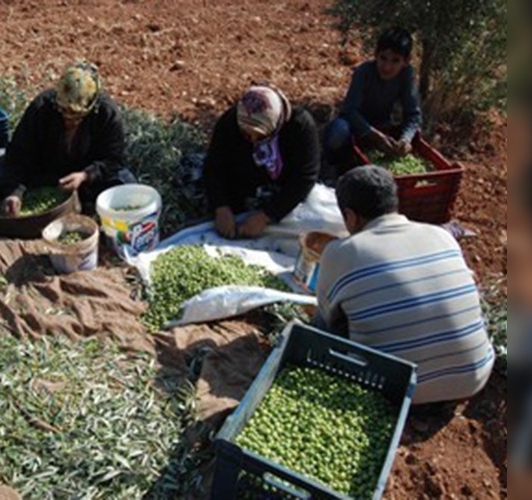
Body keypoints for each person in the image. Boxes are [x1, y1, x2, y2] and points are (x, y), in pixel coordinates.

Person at [315, 166, 493, 404]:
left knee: (323, 323)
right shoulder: (442, 236)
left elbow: (327, 318)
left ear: (350, 216)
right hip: (472, 379)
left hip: (394, 392)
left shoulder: (343, 252)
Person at [0, 61, 132, 215]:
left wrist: (85, 175)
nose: (68, 120)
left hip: (85, 176)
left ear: (91, 107)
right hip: (43, 171)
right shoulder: (42, 106)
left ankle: (85, 197)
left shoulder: (106, 113)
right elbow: (19, 151)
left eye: (76, 116)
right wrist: (15, 192)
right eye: (63, 113)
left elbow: (115, 159)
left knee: (126, 184)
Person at [203, 85, 320, 239]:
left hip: (282, 190)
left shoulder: (299, 126)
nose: (253, 141)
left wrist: (267, 216)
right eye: (246, 134)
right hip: (241, 184)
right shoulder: (231, 122)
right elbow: (213, 166)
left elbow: (305, 177)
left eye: (260, 135)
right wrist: (221, 207)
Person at [323, 27, 423, 182]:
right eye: (383, 58)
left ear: (406, 61)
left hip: (382, 125)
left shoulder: (406, 75)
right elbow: (349, 110)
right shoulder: (364, 72)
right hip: (353, 127)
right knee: (337, 132)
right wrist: (373, 134)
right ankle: (330, 169)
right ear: (376, 55)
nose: (387, 67)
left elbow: (413, 115)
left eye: (395, 60)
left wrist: (405, 139)